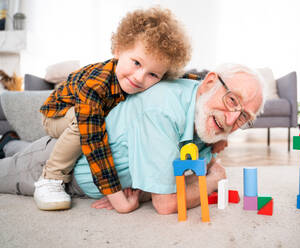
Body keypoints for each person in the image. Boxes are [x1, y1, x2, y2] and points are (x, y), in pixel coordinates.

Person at [0, 64, 265, 215]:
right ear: (209, 82)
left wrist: (214, 148)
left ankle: (7, 141)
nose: (231, 121)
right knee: (12, 168)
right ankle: (9, 144)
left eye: (244, 118)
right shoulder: (162, 108)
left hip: (79, 154)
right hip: (62, 169)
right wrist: (213, 180)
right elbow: (167, 203)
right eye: (232, 101)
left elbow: (189, 163)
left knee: (14, 148)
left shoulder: (205, 108)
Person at [33, 7, 191, 212]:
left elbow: (180, 83)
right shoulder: (95, 85)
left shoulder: (149, 82)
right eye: (136, 63)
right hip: (58, 115)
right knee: (85, 124)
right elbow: (94, 141)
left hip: (93, 114)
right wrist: (119, 201)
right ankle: (51, 178)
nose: (139, 77)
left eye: (153, 74)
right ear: (118, 50)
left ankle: (11, 145)